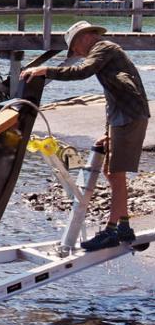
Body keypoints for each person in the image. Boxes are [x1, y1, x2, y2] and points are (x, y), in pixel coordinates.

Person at [20, 20, 149, 251]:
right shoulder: (106, 53)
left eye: (75, 49)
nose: (77, 54)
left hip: (129, 117)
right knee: (112, 175)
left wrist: (45, 70)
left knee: (115, 174)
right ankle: (124, 227)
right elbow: (113, 96)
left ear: (84, 37)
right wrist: (107, 132)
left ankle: (113, 230)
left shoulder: (104, 48)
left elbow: (82, 72)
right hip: (123, 117)